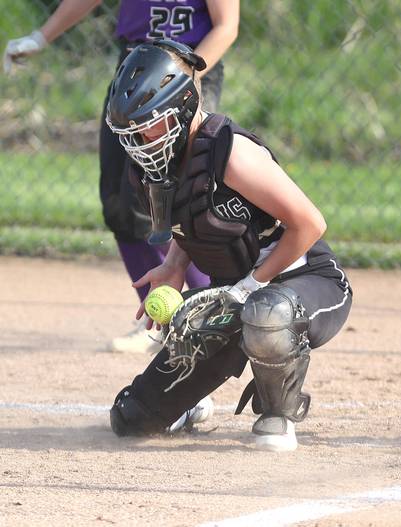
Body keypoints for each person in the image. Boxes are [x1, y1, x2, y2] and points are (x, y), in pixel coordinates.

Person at [104, 39, 353, 452]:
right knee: (132, 419)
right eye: (129, 133)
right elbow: (193, 220)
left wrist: (248, 286)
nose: (137, 143)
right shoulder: (155, 166)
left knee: (268, 313)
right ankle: (191, 404)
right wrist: (174, 266)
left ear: (182, 108)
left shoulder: (231, 153)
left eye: (146, 126)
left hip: (307, 280)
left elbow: (310, 225)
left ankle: (277, 415)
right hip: (240, 293)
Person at [3, 0, 240, 353]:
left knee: (186, 201)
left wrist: (181, 79)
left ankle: (215, 314)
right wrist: (41, 36)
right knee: (121, 203)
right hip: (135, 68)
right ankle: (160, 321)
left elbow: (226, 26)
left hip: (189, 68)